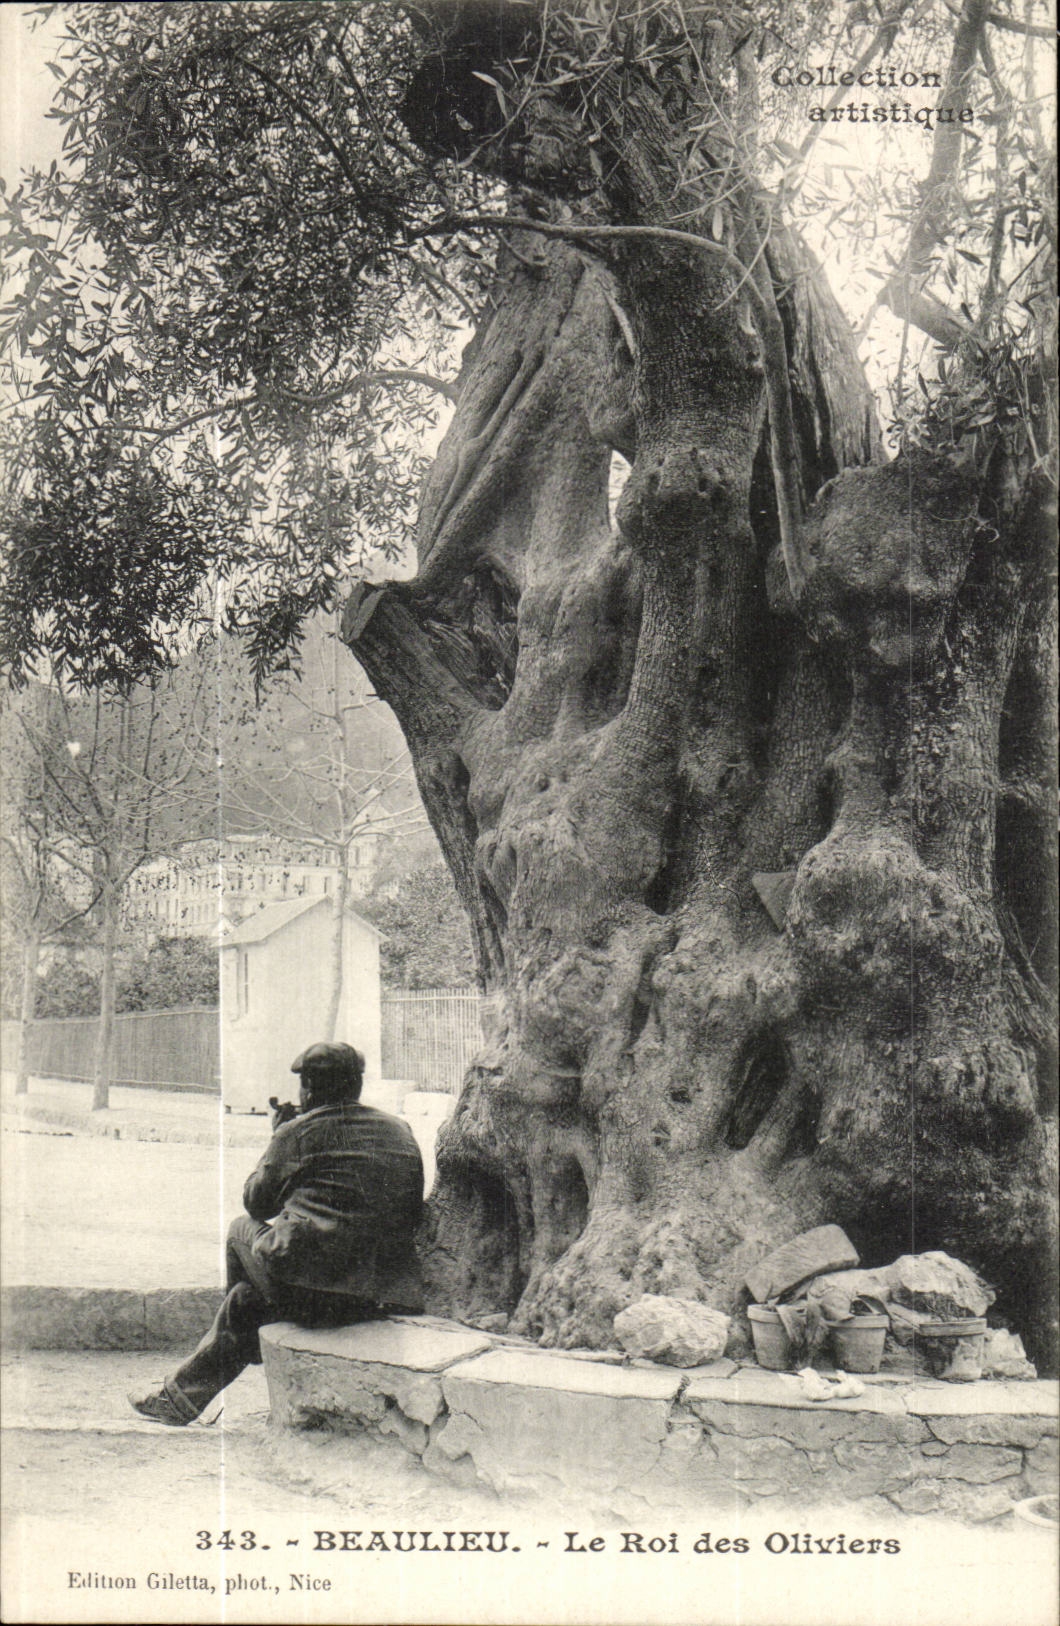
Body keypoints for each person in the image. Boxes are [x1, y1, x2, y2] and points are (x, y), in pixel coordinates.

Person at [130, 1041, 424, 1425]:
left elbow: (257, 1202)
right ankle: (183, 1396)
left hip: (316, 1293)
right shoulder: (398, 1129)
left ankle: (249, 1340)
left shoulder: (299, 1132)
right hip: (384, 1292)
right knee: (245, 1302)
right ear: (356, 1085)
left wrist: (281, 1135)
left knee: (240, 1240)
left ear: (309, 1088)